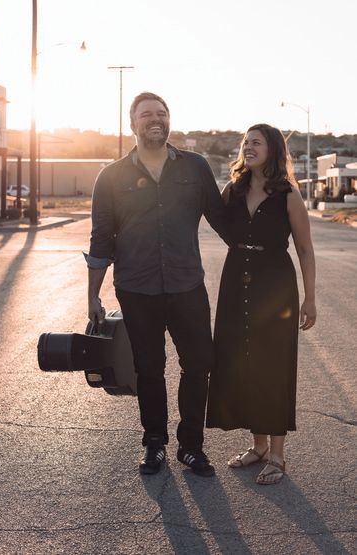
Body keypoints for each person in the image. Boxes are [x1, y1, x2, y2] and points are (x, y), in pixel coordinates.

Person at [87, 92, 230, 477]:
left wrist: (260, 251)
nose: (155, 119)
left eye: (162, 113)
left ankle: (191, 446)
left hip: (187, 286)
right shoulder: (111, 176)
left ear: (169, 121)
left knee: (199, 364)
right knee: (149, 367)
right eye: (147, 114)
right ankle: (154, 443)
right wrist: (92, 296)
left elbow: (221, 218)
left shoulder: (195, 167)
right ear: (132, 123)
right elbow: (101, 239)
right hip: (137, 288)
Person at [206, 123, 316, 485]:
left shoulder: (288, 196)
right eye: (244, 142)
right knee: (242, 361)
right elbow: (215, 219)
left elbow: (304, 249)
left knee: (273, 365)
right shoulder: (232, 190)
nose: (247, 147)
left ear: (271, 149)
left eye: (256, 142)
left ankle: (279, 454)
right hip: (236, 280)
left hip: (276, 284)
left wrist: (310, 298)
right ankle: (259, 446)